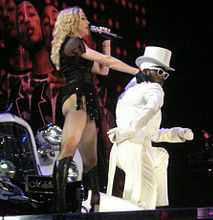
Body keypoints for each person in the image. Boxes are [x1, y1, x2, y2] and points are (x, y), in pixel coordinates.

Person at [50, 6, 143, 213]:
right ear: (72, 22)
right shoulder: (74, 42)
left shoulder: (78, 49)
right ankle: (59, 206)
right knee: (68, 148)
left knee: (90, 158)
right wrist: (136, 71)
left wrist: (106, 40)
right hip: (76, 98)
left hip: (86, 101)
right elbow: (107, 61)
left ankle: (95, 203)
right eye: (82, 18)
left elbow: (103, 70)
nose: (87, 23)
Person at [106, 46, 194, 210]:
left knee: (161, 156)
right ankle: (144, 210)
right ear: (146, 71)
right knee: (143, 196)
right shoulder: (152, 89)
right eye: (160, 72)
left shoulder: (135, 90)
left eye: (165, 74)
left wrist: (176, 133)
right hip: (133, 148)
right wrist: (127, 131)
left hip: (130, 146)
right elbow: (151, 109)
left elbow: (151, 133)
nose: (163, 78)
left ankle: (159, 206)